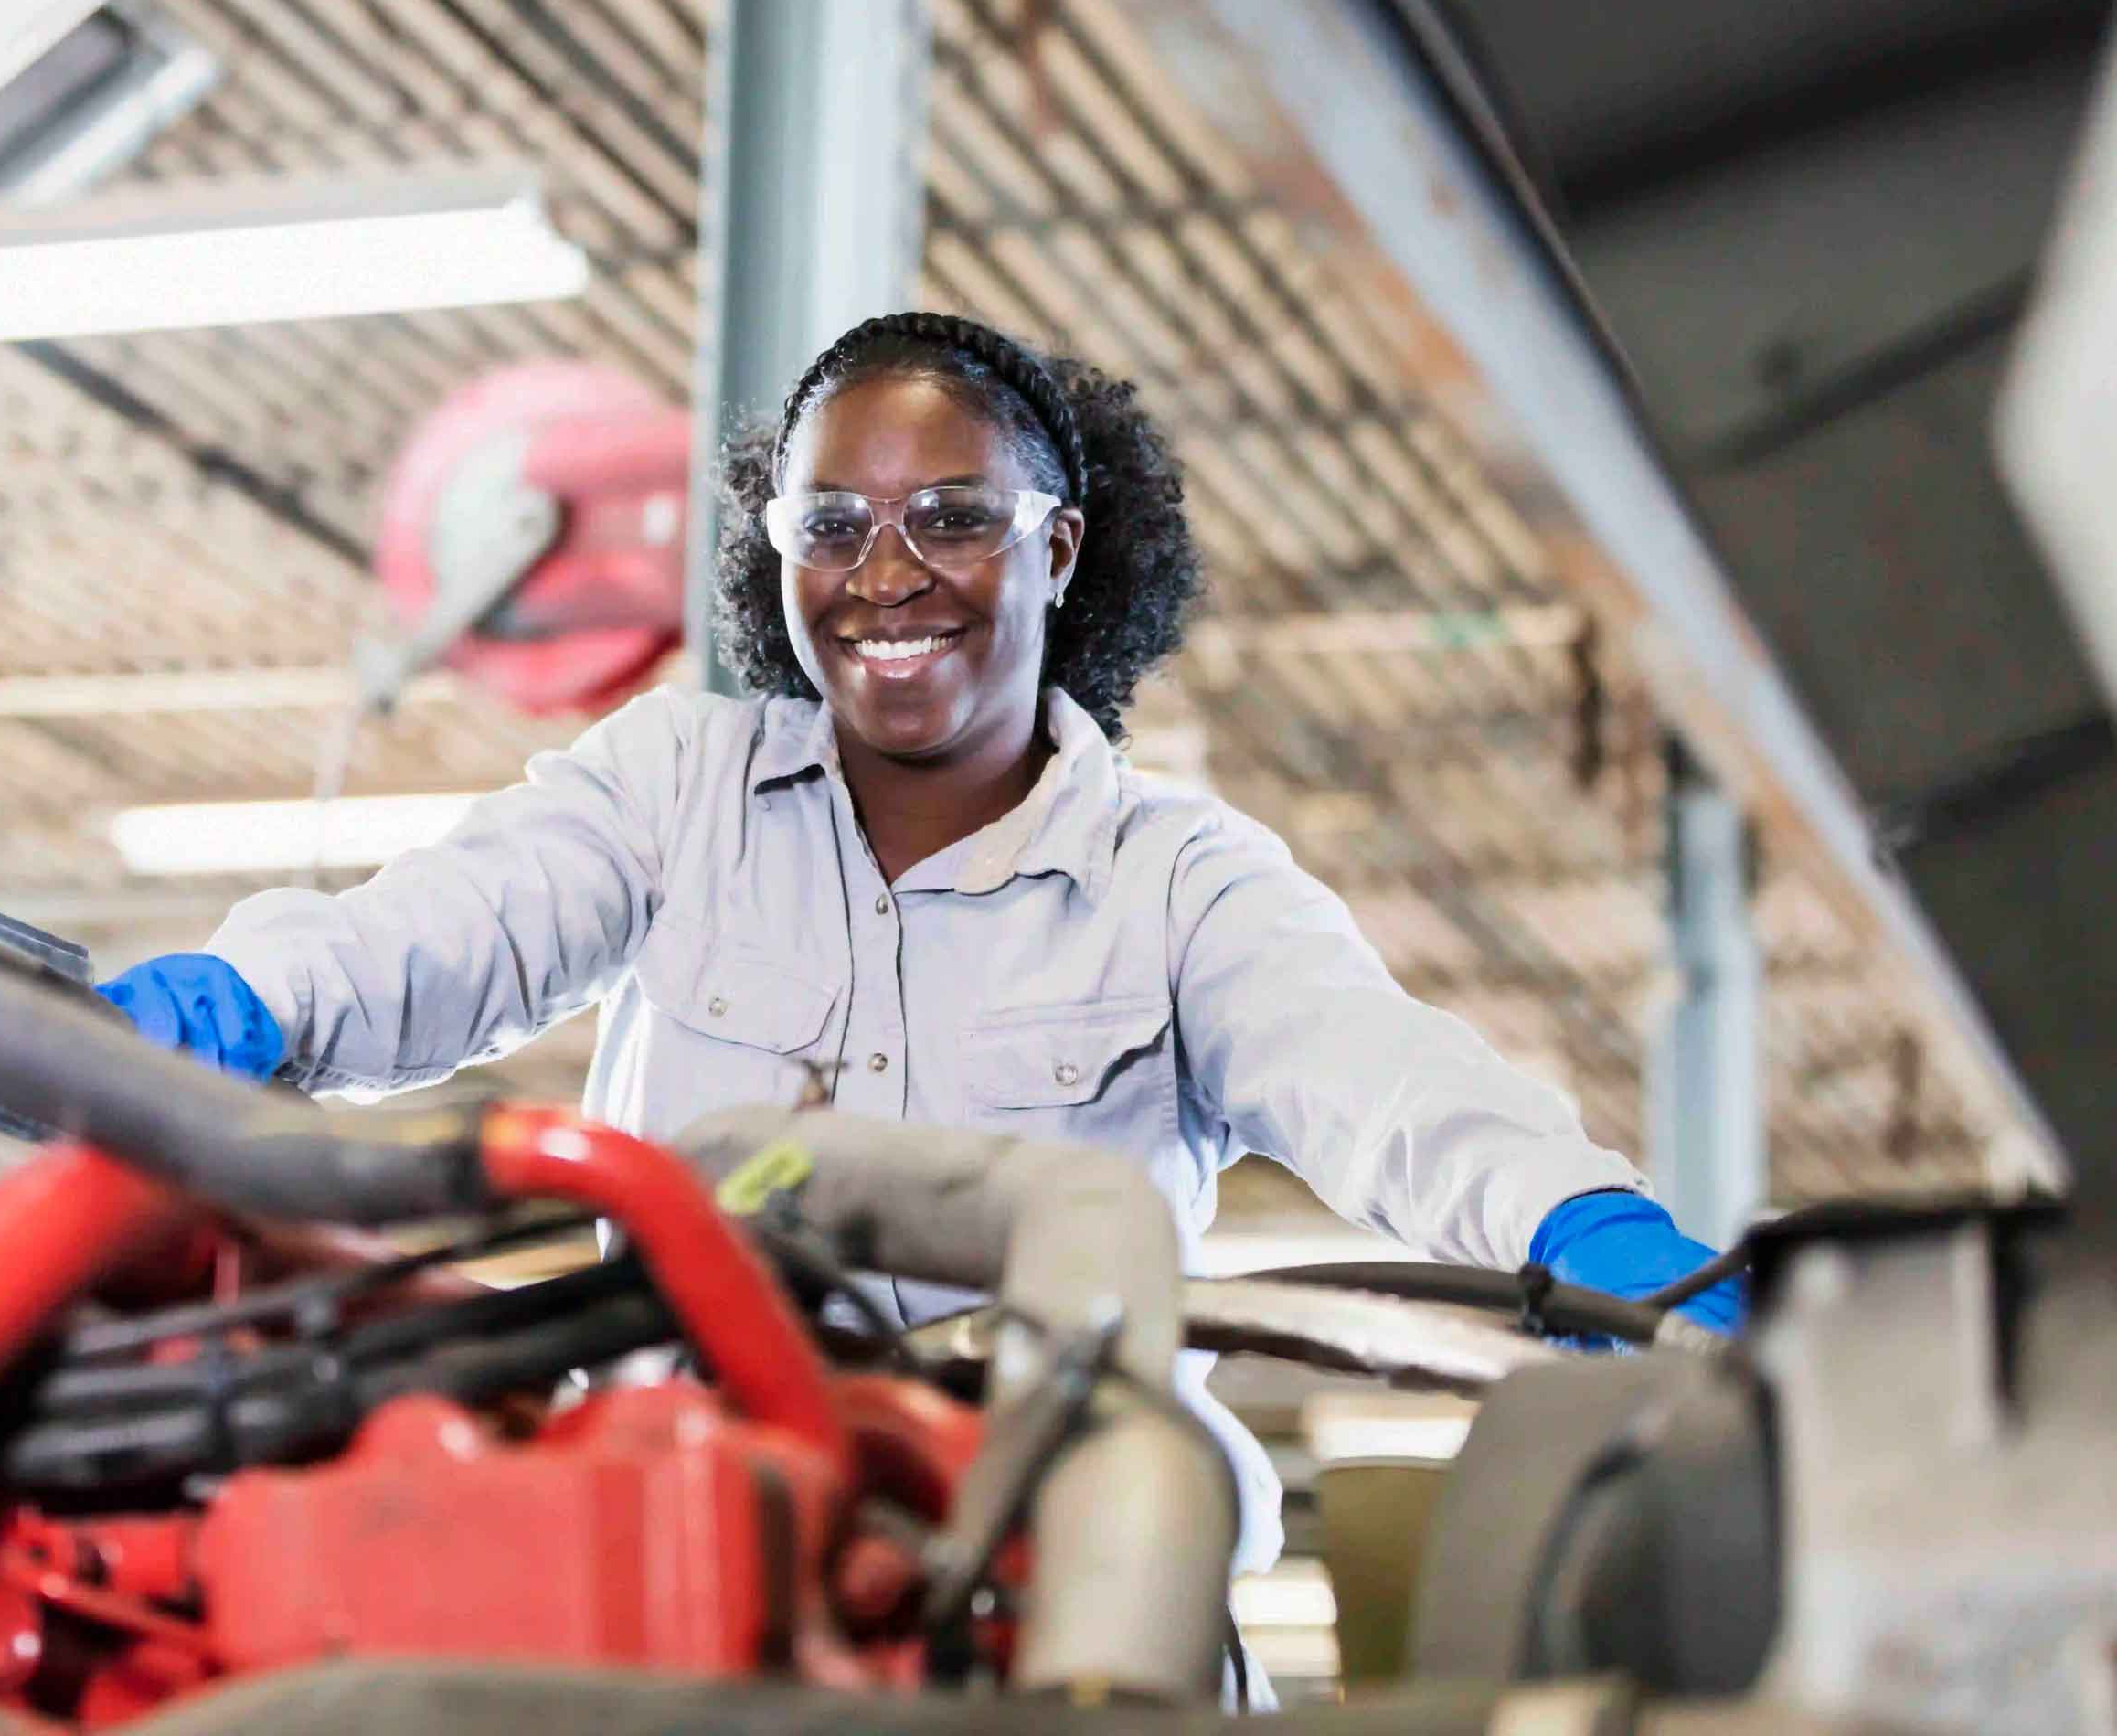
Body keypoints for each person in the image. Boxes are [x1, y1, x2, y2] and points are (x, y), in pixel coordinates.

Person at [98, 309, 1739, 1577]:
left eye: (952, 517)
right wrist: (244, 1003)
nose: (888, 578)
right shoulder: (678, 789)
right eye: (832, 528)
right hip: (680, 1569)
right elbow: (434, 938)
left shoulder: (1177, 881)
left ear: (1060, 548)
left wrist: (1585, 1229)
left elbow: (1391, 1088)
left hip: (1053, 1591)